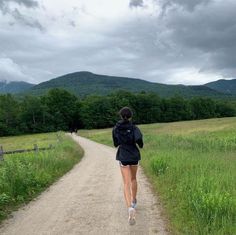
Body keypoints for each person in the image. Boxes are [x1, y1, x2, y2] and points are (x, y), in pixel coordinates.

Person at [112, 107, 143, 225]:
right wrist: (139, 144)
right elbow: (140, 140)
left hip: (123, 156)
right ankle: (134, 200)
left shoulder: (116, 128)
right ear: (130, 116)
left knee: (126, 183)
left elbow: (116, 143)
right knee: (133, 178)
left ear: (121, 116)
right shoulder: (134, 127)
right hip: (134, 155)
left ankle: (130, 207)